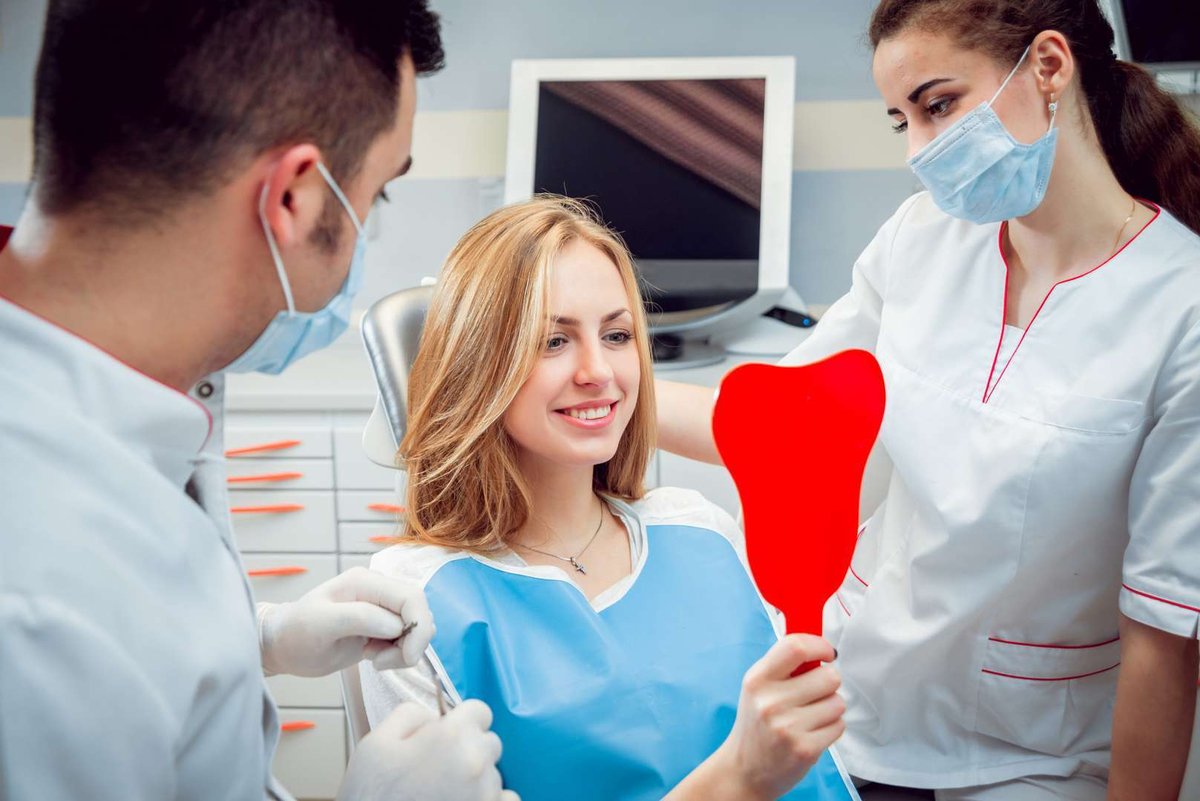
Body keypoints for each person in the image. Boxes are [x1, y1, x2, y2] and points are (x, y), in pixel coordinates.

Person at [655, 1, 1200, 799]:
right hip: (852, 705)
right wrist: (604, 389)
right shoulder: (921, 237)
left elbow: (1165, 631)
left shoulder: (1182, 308)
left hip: (1031, 755)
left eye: (938, 105)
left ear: (1049, 66)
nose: (919, 150)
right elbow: (777, 423)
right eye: (900, 121)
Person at [0, 2, 515, 800]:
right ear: (294, 198)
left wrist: (258, 639)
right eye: (376, 195)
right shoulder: (42, 599)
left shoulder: (129, 382)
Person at [358, 195, 859, 801]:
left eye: (617, 335)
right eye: (553, 341)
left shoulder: (701, 531)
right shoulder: (415, 606)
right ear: (478, 364)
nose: (598, 371)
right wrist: (739, 779)